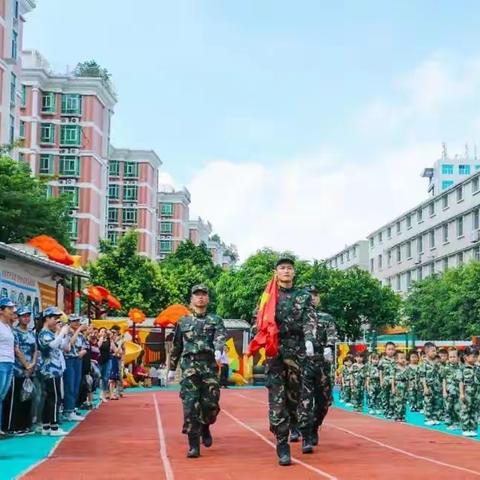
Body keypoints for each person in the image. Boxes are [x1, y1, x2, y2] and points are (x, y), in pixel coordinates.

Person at [252, 257, 316, 466]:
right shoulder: (268, 296)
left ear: (294, 273)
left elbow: (309, 319)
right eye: (282, 268)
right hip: (275, 351)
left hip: (297, 351)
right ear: (276, 272)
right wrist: (261, 335)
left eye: (289, 268)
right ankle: (282, 444)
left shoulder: (303, 296)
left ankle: (295, 425)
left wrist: (309, 340)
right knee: (277, 400)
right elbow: (259, 320)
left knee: (295, 398)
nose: (286, 271)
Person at [168, 284, 226, 459]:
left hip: (209, 367)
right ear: (191, 299)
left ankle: (206, 425)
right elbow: (177, 346)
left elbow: (220, 336)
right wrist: (171, 368)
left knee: (211, 405)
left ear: (208, 299)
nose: (200, 297)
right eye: (197, 295)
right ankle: (193, 445)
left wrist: (218, 348)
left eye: (203, 295)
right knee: (190, 405)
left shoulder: (216, 320)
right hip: (190, 368)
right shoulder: (183, 321)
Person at [4, 306, 37, 434]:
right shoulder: (14, 332)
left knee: (27, 397)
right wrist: (26, 365)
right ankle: (14, 426)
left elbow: (35, 349)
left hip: (31, 370)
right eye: (23, 316)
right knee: (16, 398)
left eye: (28, 316)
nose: (26, 318)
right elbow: (16, 350)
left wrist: (33, 364)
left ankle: (25, 425)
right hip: (18, 369)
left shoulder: (31, 333)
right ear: (18, 317)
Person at [37, 306, 70, 436]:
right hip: (50, 370)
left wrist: (65, 335)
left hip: (55, 370)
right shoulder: (43, 333)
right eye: (55, 318)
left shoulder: (50, 333)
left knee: (50, 398)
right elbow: (52, 345)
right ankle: (54, 426)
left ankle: (46, 426)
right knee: (54, 398)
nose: (57, 320)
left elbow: (62, 346)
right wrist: (61, 332)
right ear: (47, 318)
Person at [62, 314, 87, 421]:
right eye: (74, 321)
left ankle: (72, 408)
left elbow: (85, 346)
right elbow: (69, 344)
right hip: (69, 360)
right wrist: (77, 331)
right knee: (70, 386)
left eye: (78, 321)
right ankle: (67, 410)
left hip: (78, 360)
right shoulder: (66, 332)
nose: (76, 323)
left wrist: (83, 352)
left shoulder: (81, 335)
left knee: (76, 385)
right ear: (69, 322)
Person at [0, 298, 15, 437]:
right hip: (1, 363)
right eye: (9, 308)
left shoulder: (7, 326)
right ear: (1, 310)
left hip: (9, 363)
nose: (12, 311)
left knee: (2, 397)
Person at [420, 342, 443, 426]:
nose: (435, 353)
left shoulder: (437, 363)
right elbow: (422, 376)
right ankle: (428, 418)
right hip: (428, 386)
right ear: (426, 351)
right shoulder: (424, 363)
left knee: (437, 402)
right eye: (433, 351)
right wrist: (425, 387)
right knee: (428, 402)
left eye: (435, 351)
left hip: (437, 386)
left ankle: (435, 417)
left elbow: (440, 374)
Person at [442, 347, 461, 430]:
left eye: (454, 357)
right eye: (450, 357)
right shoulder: (446, 368)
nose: (452, 359)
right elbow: (444, 380)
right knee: (448, 407)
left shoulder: (461, 368)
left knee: (457, 407)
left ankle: (457, 422)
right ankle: (450, 423)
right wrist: (444, 391)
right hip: (449, 391)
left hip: (458, 391)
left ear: (458, 358)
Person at [379, 342, 396, 418]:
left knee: (393, 397)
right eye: (389, 349)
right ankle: (386, 411)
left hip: (394, 382)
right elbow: (380, 372)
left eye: (392, 349)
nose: (391, 351)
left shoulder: (396, 360)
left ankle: (392, 412)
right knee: (385, 397)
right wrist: (381, 381)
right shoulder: (382, 361)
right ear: (385, 350)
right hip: (385, 381)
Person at [392, 351, 409, 422]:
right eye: (401, 358)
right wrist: (393, 387)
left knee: (404, 401)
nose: (403, 359)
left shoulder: (407, 368)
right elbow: (392, 378)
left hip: (405, 385)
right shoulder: (395, 368)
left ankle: (403, 416)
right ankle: (398, 416)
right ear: (396, 360)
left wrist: (408, 386)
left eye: (404, 358)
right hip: (398, 385)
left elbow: (409, 378)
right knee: (398, 401)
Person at [98, 328, 112, 402]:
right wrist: (101, 337)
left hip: (107, 360)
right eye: (102, 331)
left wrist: (108, 333)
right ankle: (99, 393)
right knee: (98, 377)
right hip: (99, 361)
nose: (103, 333)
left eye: (104, 332)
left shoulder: (108, 340)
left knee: (105, 378)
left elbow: (111, 336)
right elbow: (99, 346)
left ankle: (103, 394)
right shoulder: (98, 339)